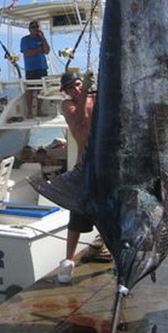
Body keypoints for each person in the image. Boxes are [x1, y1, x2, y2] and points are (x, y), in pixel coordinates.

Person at [58, 71, 112, 284]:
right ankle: (68, 262)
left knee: (110, 216)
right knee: (77, 217)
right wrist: (86, 92)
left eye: (78, 84)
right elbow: (80, 120)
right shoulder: (68, 106)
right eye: (71, 88)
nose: (76, 90)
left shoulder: (98, 98)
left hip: (107, 166)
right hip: (86, 169)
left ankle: (118, 258)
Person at [20, 21, 50, 117]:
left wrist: (43, 37)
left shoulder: (41, 39)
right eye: (33, 27)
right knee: (30, 90)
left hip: (42, 68)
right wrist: (39, 50)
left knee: (41, 89)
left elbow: (47, 51)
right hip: (31, 69)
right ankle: (29, 112)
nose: (35, 29)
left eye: (36, 27)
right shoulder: (25, 39)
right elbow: (26, 53)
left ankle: (39, 111)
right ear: (29, 29)